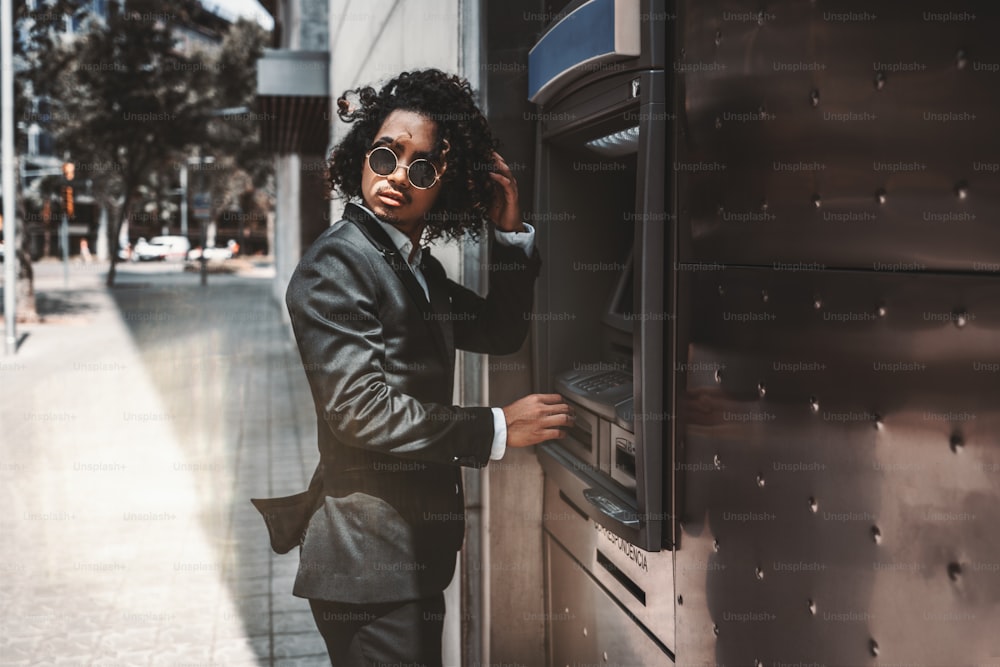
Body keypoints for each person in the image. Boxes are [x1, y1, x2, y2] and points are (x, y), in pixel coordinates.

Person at [281, 69, 573, 666]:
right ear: (364, 152)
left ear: (446, 184)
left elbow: (499, 329)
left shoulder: (408, 263)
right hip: (369, 567)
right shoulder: (337, 264)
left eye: (421, 168)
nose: (395, 176)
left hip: (405, 559)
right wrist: (495, 427)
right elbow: (360, 413)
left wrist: (510, 235)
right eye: (387, 153)